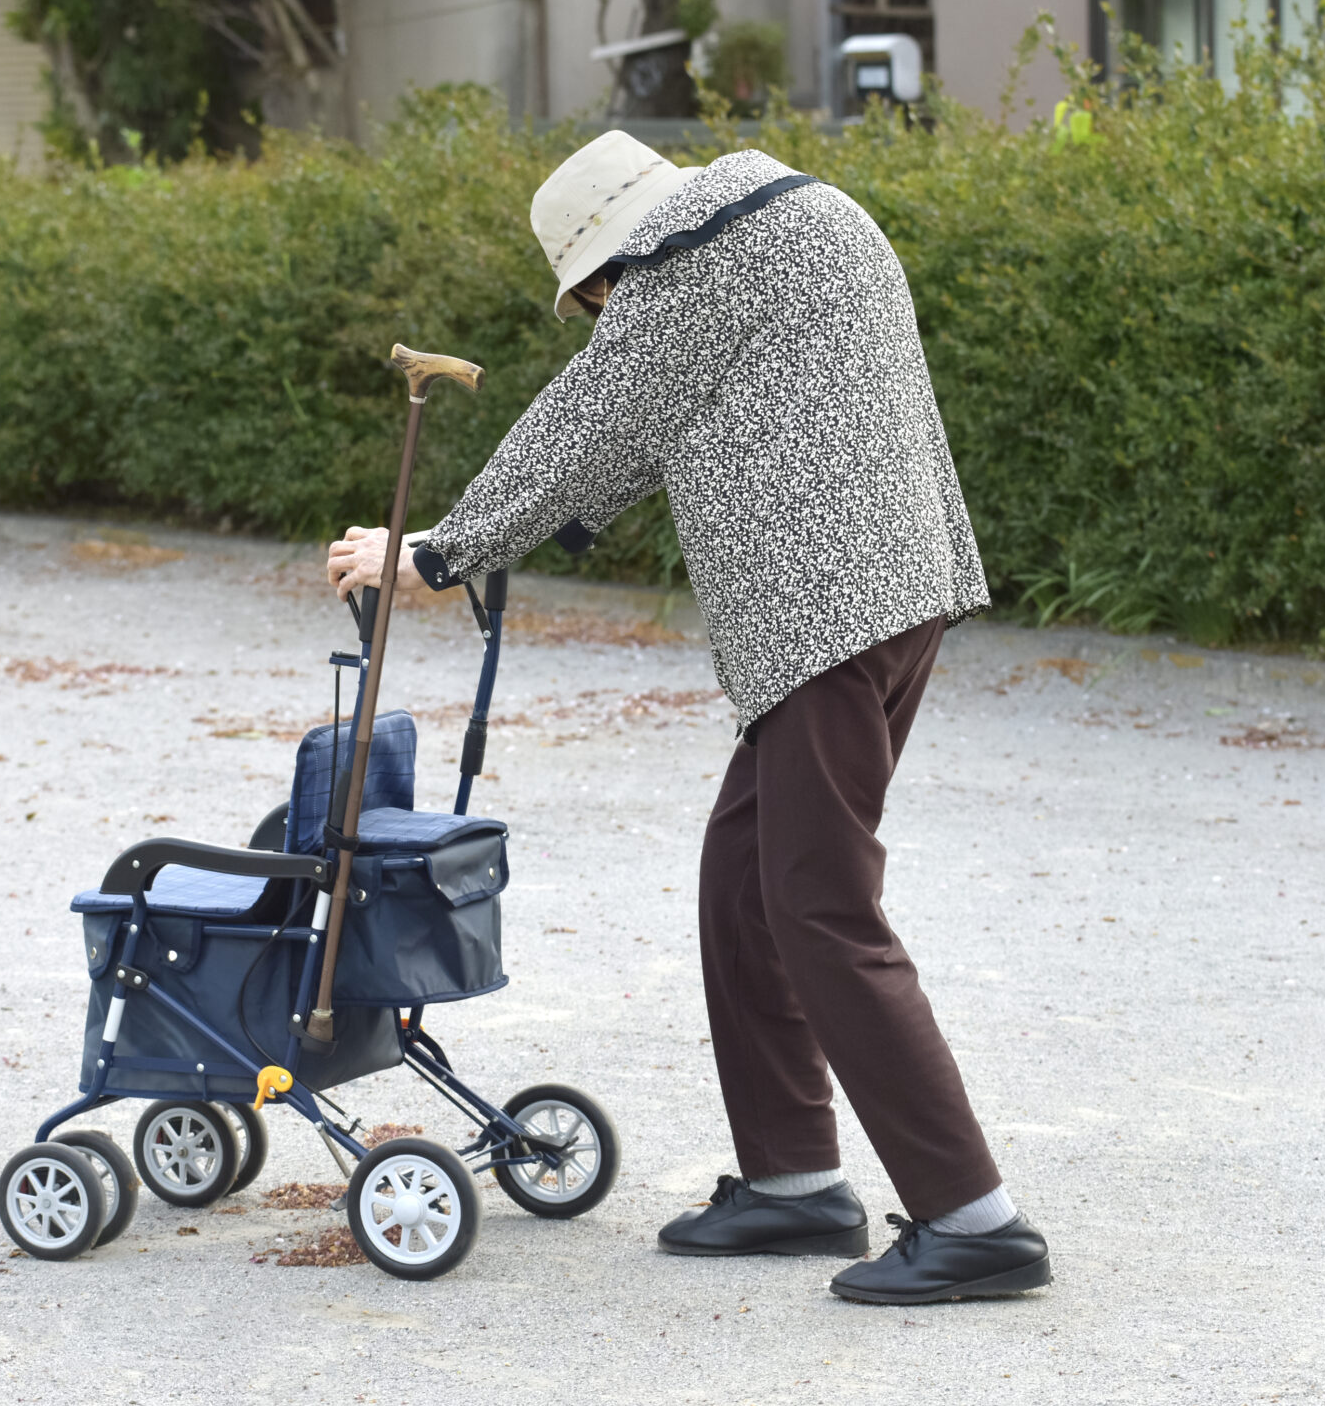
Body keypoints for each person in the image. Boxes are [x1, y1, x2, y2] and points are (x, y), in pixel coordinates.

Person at [324, 130, 1049, 1305]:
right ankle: (795, 1180)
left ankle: (973, 1217)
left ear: (610, 257)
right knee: (744, 879)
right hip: (887, 593)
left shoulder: (697, 256)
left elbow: (591, 418)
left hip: (827, 611)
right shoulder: (802, 215)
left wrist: (438, 550)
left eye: (595, 295)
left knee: (818, 903)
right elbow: (648, 420)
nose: (605, 310)